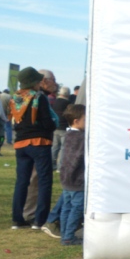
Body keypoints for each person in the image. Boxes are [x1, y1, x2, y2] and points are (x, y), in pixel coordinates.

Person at [9, 68, 57, 231]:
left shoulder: (15, 98)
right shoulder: (39, 98)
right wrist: (53, 124)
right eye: (37, 81)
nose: (39, 84)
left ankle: (17, 219)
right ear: (33, 82)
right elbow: (46, 121)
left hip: (21, 144)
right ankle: (39, 220)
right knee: (44, 181)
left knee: (22, 182)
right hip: (39, 142)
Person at [56, 104, 86, 246]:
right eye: (85, 119)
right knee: (76, 208)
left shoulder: (68, 135)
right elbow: (77, 158)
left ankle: (64, 235)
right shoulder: (80, 138)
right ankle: (68, 236)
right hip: (76, 179)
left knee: (67, 207)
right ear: (76, 120)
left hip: (66, 179)